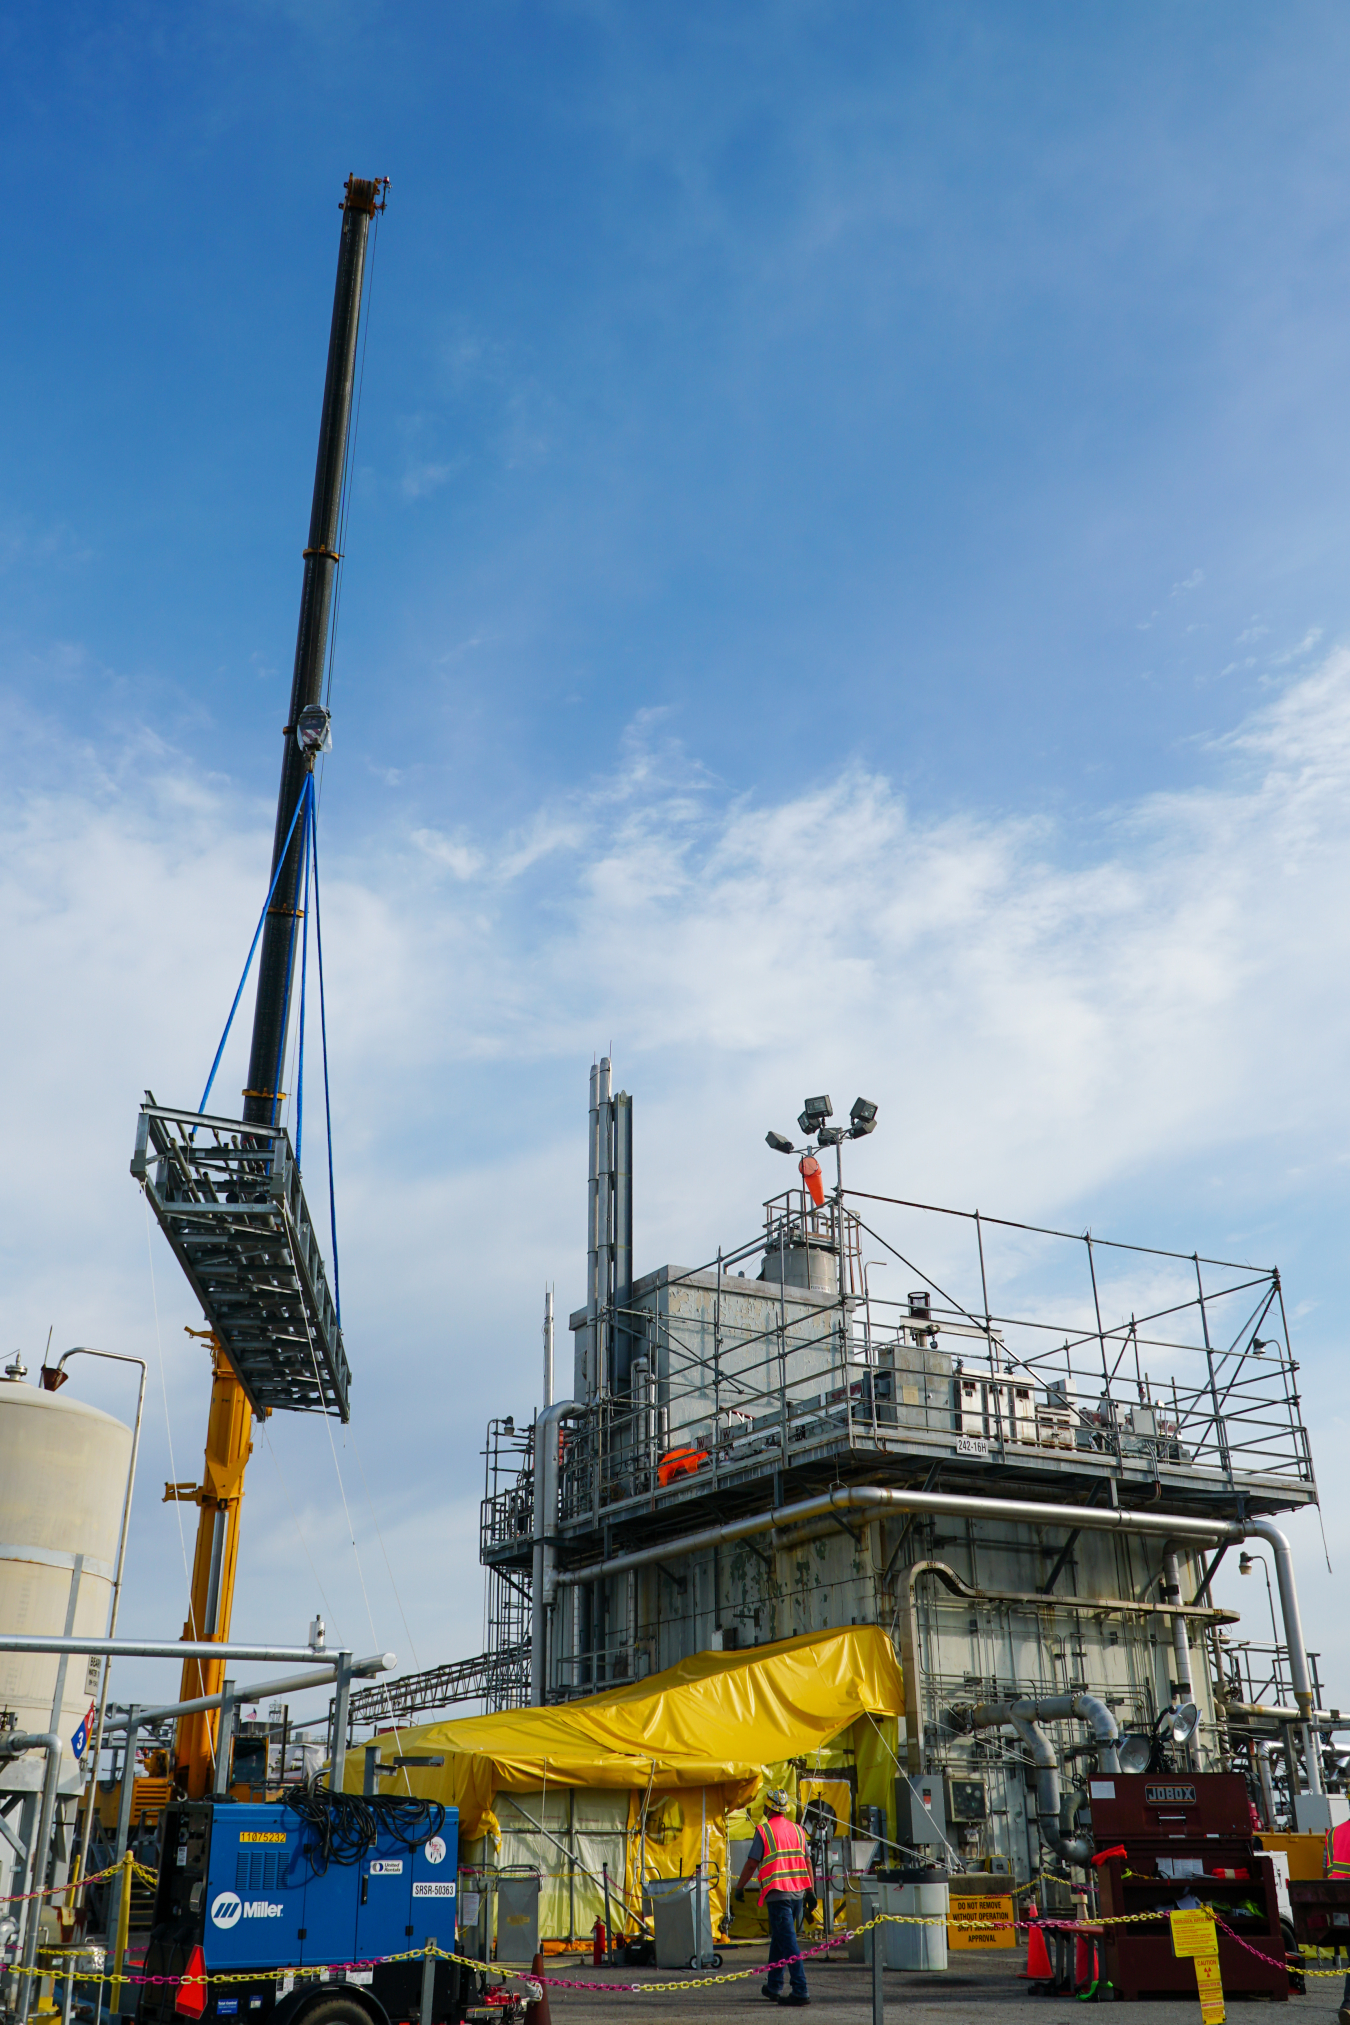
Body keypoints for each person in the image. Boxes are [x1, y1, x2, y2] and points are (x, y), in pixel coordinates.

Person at [735, 1788, 815, 2007]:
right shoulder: (799, 1830)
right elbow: (807, 1862)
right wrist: (811, 1891)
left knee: (788, 1943)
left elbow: (752, 1863)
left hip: (778, 1894)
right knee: (781, 1939)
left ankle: (800, 1989)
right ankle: (774, 1985)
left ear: (768, 1808)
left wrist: (739, 1887)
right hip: (798, 1893)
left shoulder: (764, 1831)